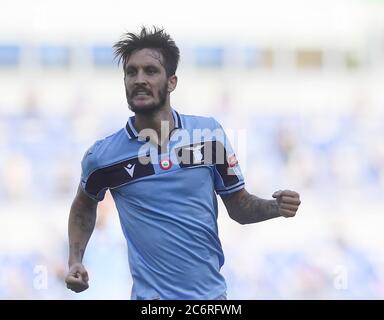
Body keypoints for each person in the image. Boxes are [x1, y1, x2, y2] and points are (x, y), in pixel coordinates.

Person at [65, 26, 301, 300]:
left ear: (172, 81)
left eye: (150, 71)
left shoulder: (209, 135)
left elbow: (238, 207)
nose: (139, 79)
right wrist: (75, 260)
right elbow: (83, 205)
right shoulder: (103, 156)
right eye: (131, 72)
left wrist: (276, 207)